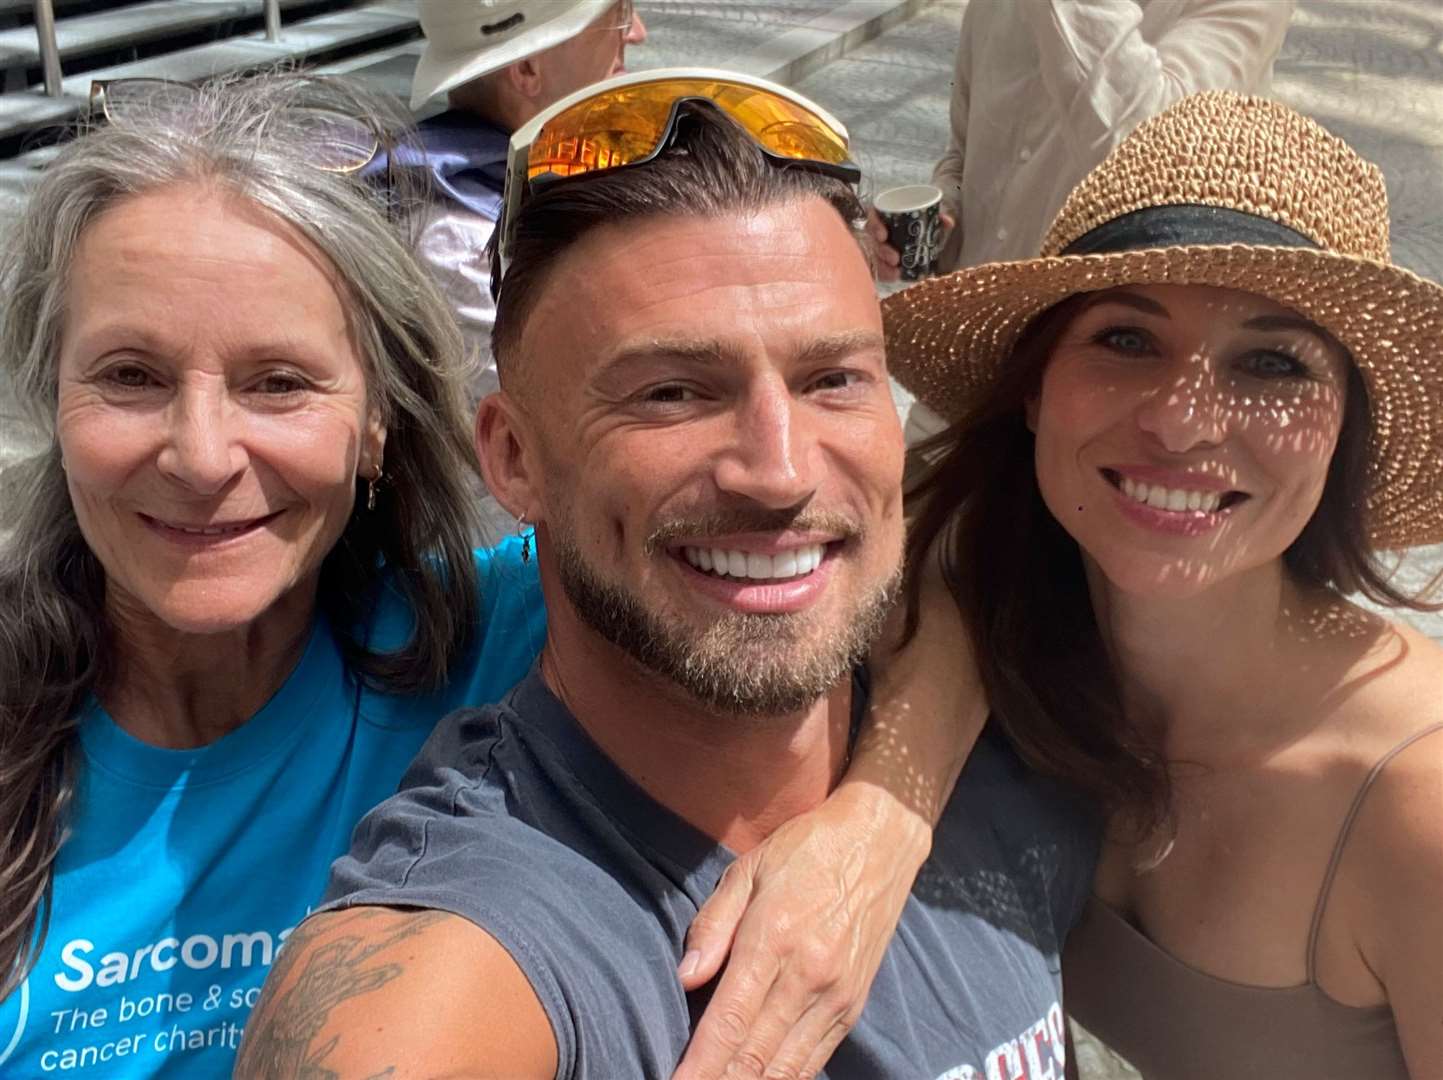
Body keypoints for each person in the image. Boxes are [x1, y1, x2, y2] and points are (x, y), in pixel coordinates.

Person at [0, 70, 984, 1080]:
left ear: (377, 424)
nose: (202, 455)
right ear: (52, 400)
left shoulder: (483, 625)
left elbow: (927, 559)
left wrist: (878, 824)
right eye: (130, 377)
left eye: (279, 383)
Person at [236, 72, 1098, 1080]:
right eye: (672, 392)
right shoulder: (460, 966)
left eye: (833, 379)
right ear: (513, 460)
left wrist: (889, 810)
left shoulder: (1016, 726)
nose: (778, 471)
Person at [801, 91, 1439, 1077]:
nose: (1182, 423)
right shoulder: (1001, 637)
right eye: (1128, 340)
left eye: (1272, 362)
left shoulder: (1417, 803)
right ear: (1034, 389)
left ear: (1346, 429)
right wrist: (887, 801)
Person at [393, 0, 648, 396]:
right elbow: (580, 405)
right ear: (528, 69)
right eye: (619, 16)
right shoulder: (457, 239)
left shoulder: (535, 173)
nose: (636, 32)